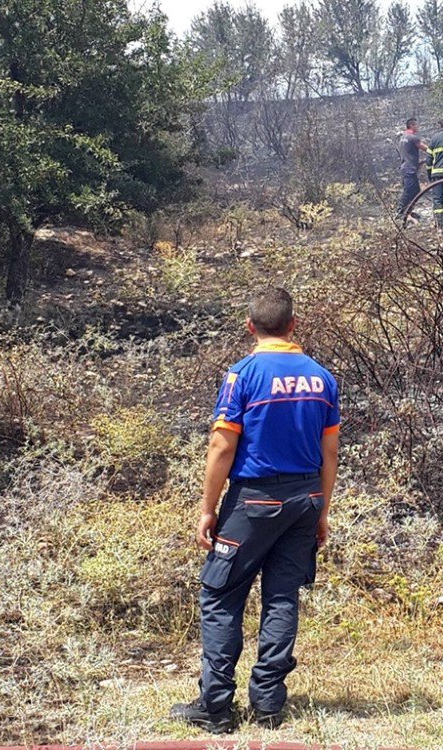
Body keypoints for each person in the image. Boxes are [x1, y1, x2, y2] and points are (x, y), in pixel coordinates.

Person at [171, 289, 340, 733]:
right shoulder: (322, 378)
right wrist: (321, 510)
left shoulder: (242, 375)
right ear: (293, 324)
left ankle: (216, 706)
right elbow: (330, 451)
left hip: (255, 500)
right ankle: (268, 704)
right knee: (282, 596)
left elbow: (222, 445)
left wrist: (207, 509)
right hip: (305, 499)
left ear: (250, 327)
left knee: (221, 595)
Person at [397, 118, 428, 219]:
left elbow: (408, 153)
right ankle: (400, 211)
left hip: (405, 167)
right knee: (410, 190)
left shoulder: (403, 137)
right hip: (409, 169)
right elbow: (425, 148)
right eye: (416, 125)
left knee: (416, 190)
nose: (418, 127)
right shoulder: (412, 138)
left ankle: (408, 211)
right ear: (411, 125)